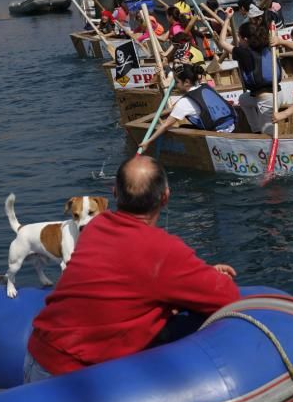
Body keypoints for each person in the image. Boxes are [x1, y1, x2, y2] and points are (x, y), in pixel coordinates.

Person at [24, 156, 239, 381]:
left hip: (36, 357)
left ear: (115, 193)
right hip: (70, 380)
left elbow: (120, 280)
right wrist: (206, 278)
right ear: (165, 197)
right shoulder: (164, 251)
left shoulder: (97, 226)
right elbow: (229, 297)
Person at [140, 64, 236, 152]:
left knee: (182, 128)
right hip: (232, 126)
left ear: (186, 82)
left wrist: (148, 142)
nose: (175, 86)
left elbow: (165, 125)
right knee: (184, 127)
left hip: (218, 136)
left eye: (176, 82)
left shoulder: (184, 102)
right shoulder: (204, 85)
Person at [219, 13, 282, 134]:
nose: (238, 40)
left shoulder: (244, 53)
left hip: (267, 100)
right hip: (277, 94)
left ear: (245, 39)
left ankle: (263, 139)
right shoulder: (267, 46)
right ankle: (256, 130)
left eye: (239, 37)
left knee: (268, 136)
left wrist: (227, 18)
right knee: (243, 99)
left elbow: (222, 42)